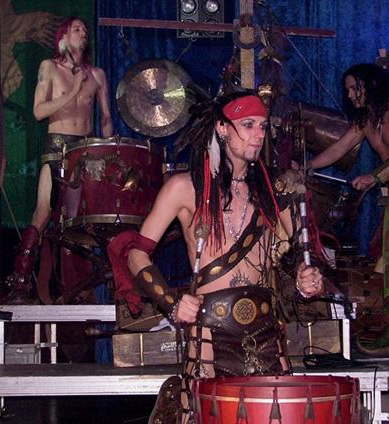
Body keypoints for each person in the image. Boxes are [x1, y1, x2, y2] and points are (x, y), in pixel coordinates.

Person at [108, 91, 324, 423]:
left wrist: (305, 279)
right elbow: (136, 253)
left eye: (263, 126)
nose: (258, 135)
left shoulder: (271, 190)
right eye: (248, 125)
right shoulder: (184, 187)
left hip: (266, 333)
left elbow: (293, 254)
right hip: (209, 332)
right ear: (222, 128)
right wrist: (171, 302)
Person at [307, 63, 389, 354]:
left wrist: (375, 176)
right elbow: (338, 149)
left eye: (354, 88)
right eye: (347, 89)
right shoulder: (366, 120)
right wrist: (306, 167)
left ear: (371, 85)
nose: (349, 94)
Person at [6, 17, 113, 303]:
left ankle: (82, 288)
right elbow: (38, 111)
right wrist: (74, 91)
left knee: (83, 219)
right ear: (64, 35)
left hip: (86, 149)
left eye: (85, 30)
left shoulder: (97, 74)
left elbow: (105, 118)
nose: (83, 33)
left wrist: (107, 150)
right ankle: (20, 282)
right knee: (43, 212)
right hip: (57, 145)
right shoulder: (49, 67)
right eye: (77, 29)